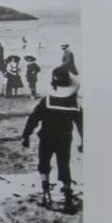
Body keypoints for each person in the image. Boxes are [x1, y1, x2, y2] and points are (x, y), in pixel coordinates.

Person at [22, 66, 84, 211]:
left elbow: (33, 119)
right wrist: (84, 141)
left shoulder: (47, 101)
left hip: (46, 138)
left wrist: (26, 136)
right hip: (64, 139)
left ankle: (46, 193)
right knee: (64, 165)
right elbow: (82, 124)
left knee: (44, 164)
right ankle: (67, 195)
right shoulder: (74, 104)